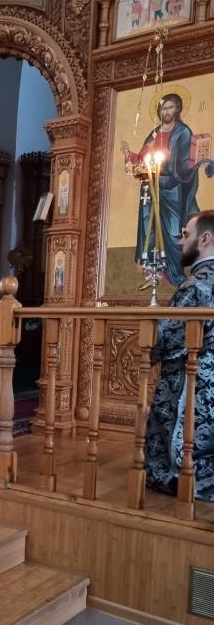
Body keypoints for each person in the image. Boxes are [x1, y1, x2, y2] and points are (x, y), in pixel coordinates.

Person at [145, 211, 214, 499]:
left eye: (186, 235)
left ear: (206, 238)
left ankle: (181, 480)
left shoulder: (195, 286)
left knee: (177, 453)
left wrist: (148, 347)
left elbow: (165, 336)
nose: (180, 242)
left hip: (193, 382)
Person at [121, 93, 214, 286]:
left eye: (171, 107)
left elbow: (184, 163)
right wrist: (130, 156)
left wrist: (196, 162)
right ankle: (153, 271)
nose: (167, 111)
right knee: (149, 228)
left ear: (178, 109)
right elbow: (143, 158)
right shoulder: (154, 133)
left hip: (172, 188)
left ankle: (177, 275)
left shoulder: (183, 132)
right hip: (151, 186)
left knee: (173, 232)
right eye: (164, 108)